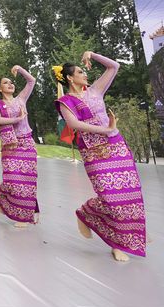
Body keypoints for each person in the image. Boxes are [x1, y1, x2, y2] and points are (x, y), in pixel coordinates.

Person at [54, 52, 146, 262]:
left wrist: (92, 55)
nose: (85, 74)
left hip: (116, 145)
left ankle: (125, 236)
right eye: (80, 72)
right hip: (93, 150)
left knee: (129, 192)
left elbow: (114, 67)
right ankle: (103, 228)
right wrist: (106, 129)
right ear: (70, 78)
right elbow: (74, 125)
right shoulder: (65, 101)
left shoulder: (95, 90)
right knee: (109, 195)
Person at [0, 65, 40, 227]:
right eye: (6, 83)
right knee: (12, 179)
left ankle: (23, 216)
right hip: (10, 146)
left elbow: (31, 81)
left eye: (11, 82)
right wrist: (17, 119)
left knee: (27, 181)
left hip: (26, 143)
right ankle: (4, 198)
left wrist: (20, 69)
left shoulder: (21, 99)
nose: (10, 84)